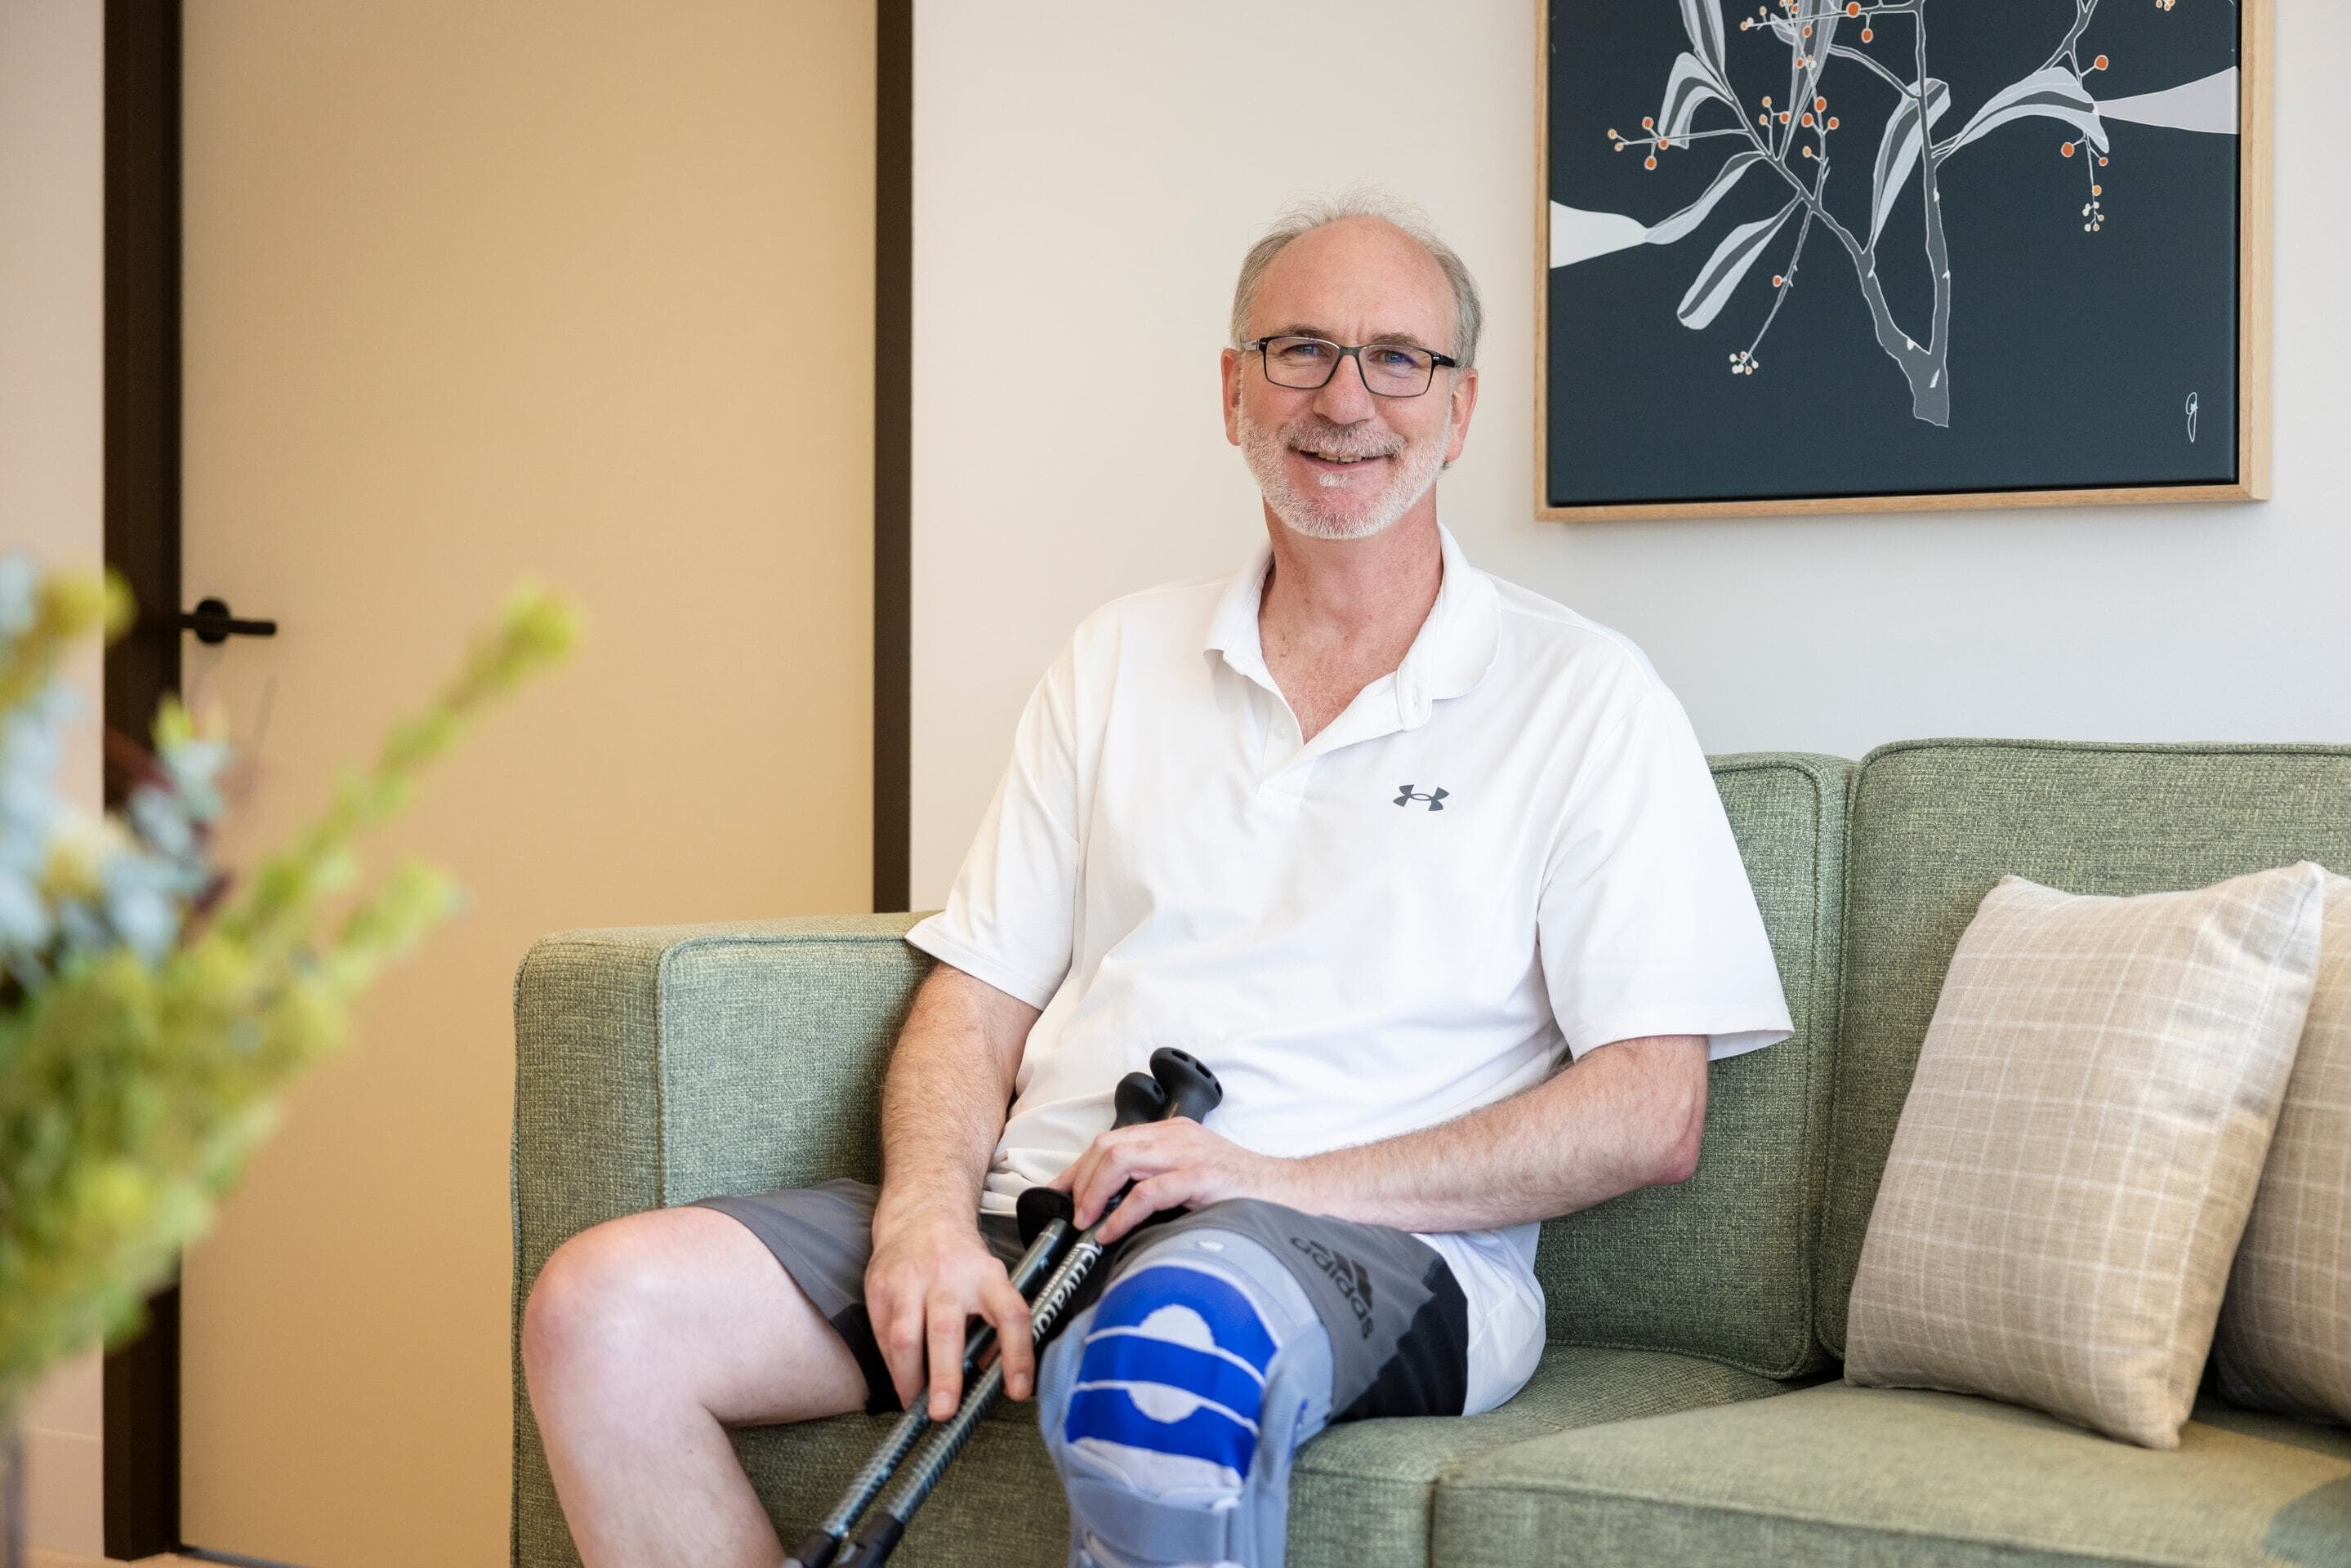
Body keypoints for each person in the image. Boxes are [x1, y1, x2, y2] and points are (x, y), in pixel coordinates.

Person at [521, 192, 1793, 1568]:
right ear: (1232, 388)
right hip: (1042, 1214)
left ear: (1460, 406)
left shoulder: (1581, 695)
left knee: (1163, 1356)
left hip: (1360, 1252)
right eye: (1297, 349)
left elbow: (1649, 1113)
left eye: (1396, 358)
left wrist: (1266, 1173)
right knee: (605, 1312)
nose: (1345, 397)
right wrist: (924, 1216)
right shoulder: (1117, 657)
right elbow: (977, 995)